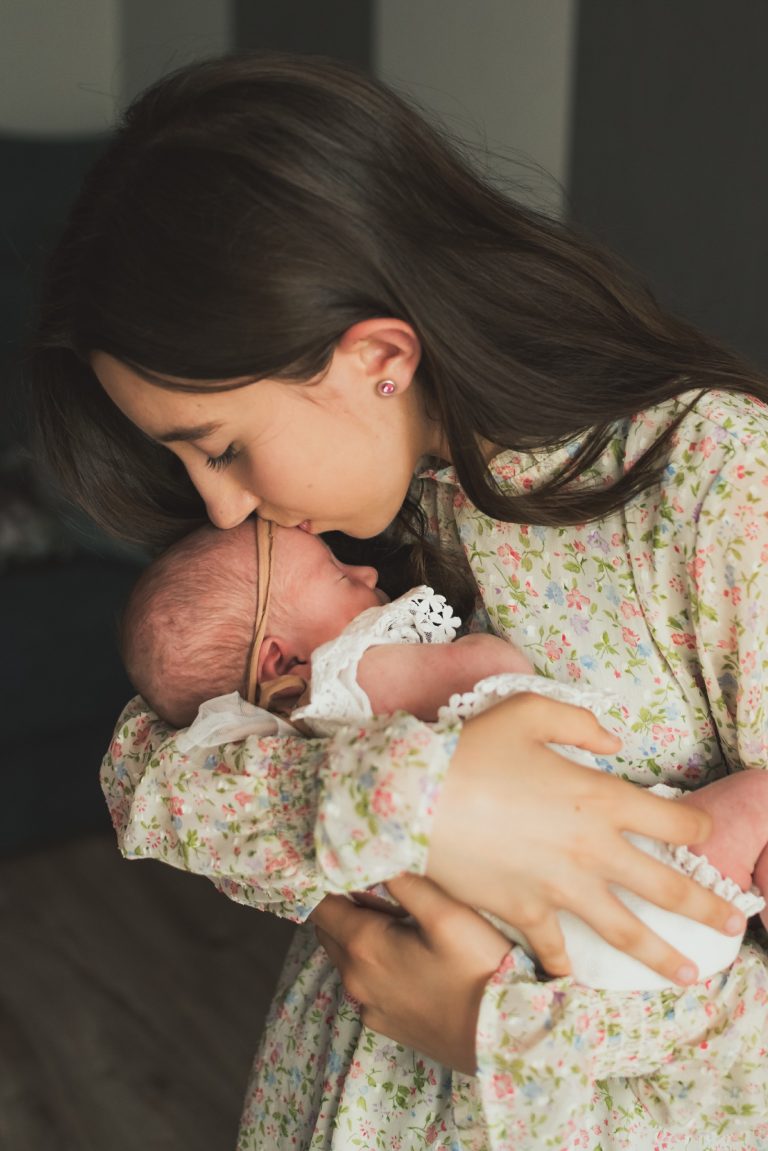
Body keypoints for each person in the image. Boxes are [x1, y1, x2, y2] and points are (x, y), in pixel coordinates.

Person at [29, 52, 768, 1149]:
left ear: (377, 355)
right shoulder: (372, 526)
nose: (220, 510)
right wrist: (430, 802)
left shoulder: (716, 484)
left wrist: (494, 1026)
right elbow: (151, 784)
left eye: (221, 448)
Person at [122, 512, 767, 991]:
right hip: (629, 886)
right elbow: (488, 668)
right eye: (338, 573)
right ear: (278, 659)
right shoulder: (352, 671)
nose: (367, 573)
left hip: (568, 950)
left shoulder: (290, 745)